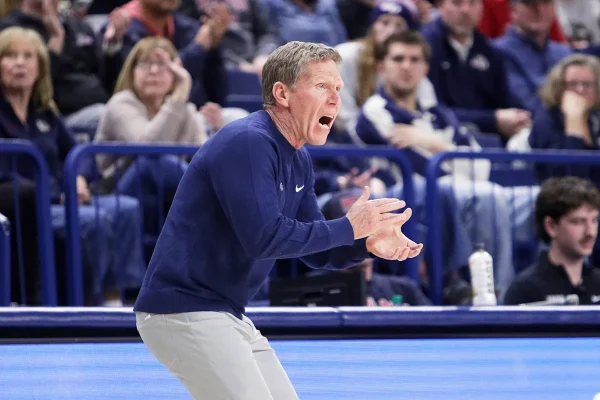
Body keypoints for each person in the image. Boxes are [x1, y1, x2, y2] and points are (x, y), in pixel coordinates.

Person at [134, 40, 423, 399]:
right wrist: (350, 226)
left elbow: (317, 250)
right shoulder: (248, 142)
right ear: (282, 94)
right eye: (321, 86)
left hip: (224, 313)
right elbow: (264, 237)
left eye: (337, 88)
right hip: (183, 309)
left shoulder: (298, 158)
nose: (335, 99)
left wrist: (366, 244)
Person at [504, 176, 600, 305]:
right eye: (578, 222)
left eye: (594, 220)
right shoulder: (525, 290)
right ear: (551, 226)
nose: (590, 232)